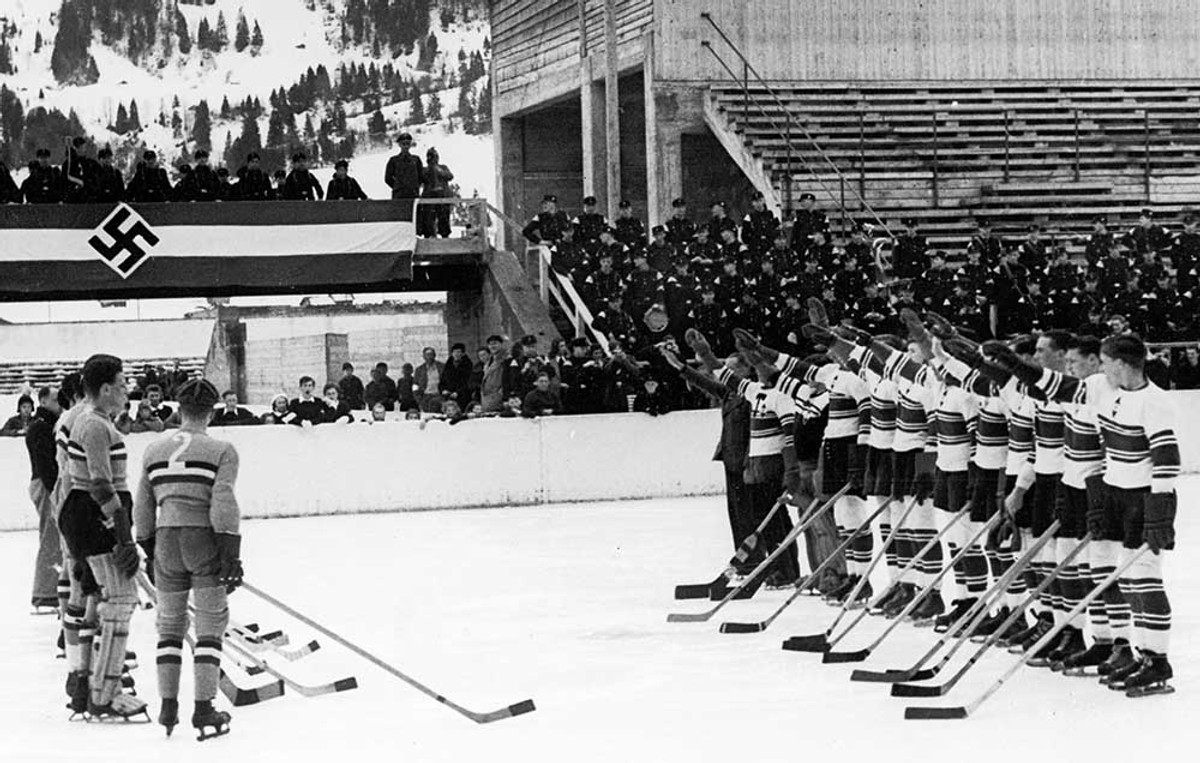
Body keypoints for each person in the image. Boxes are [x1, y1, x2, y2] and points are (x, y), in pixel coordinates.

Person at [133, 378, 242, 738]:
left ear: (179, 410)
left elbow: (143, 507)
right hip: (203, 539)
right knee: (211, 622)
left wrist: (148, 549)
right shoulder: (223, 449)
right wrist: (230, 554)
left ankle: (167, 706)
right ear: (210, 412)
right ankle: (204, 708)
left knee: (169, 624)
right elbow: (223, 502)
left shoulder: (153, 449)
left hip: (165, 538)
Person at [58, 354, 147, 720]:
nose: (127, 391)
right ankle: (105, 693)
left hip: (91, 516)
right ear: (107, 388)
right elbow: (99, 482)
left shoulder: (98, 422)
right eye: (123, 384)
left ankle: (88, 686)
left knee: (101, 600)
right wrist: (123, 536)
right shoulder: (94, 424)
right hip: (94, 518)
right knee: (122, 598)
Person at [24, 386, 62, 611]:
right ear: (44, 401)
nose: (59, 403)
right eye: (56, 399)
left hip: (43, 482)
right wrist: (54, 489)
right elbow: (45, 462)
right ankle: (45, 592)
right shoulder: (41, 427)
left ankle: (49, 589)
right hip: (45, 484)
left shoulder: (43, 425)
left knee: (52, 535)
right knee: (51, 535)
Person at [417, 147, 454, 238]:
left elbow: (450, 176)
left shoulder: (443, 167)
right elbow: (420, 179)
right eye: (431, 156)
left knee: (444, 218)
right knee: (428, 219)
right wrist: (430, 169)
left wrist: (438, 170)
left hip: (442, 196)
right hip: (429, 197)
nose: (433, 159)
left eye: (435, 156)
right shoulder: (424, 169)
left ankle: (445, 235)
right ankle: (429, 235)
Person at [384, 132, 423, 201]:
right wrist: (397, 186)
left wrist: (414, 186)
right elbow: (388, 178)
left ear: (410, 145)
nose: (406, 146)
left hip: (413, 194)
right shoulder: (394, 160)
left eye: (408, 144)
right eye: (403, 144)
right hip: (399, 195)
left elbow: (421, 176)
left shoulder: (416, 160)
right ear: (400, 145)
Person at [413, 347, 446, 413]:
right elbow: (415, 385)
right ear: (424, 356)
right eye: (427, 355)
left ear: (434, 355)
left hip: (439, 396)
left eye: (431, 354)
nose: (429, 357)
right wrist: (418, 399)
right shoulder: (419, 370)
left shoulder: (442, 367)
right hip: (426, 397)